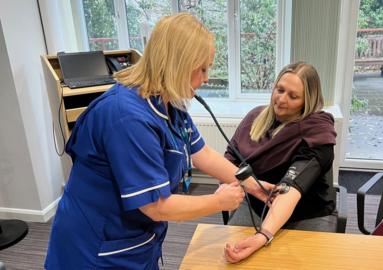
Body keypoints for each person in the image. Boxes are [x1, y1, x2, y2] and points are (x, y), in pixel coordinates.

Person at [45, 13, 273, 269]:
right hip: (95, 248)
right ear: (179, 64)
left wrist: (254, 186)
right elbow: (156, 206)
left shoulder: (167, 102)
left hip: (134, 239)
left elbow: (203, 153)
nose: (206, 78)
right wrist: (217, 201)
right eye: (203, 69)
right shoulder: (126, 117)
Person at [223, 62, 336, 263]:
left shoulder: (317, 132)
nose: (281, 100)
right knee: (233, 258)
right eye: (279, 90)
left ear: (307, 101)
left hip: (307, 214)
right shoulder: (255, 117)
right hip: (258, 204)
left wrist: (263, 235)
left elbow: (289, 187)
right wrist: (226, 186)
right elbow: (230, 158)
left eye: (293, 96)